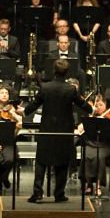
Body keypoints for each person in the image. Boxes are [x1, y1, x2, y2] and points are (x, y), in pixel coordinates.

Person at [24, 58, 90, 203]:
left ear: (54, 71)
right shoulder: (71, 89)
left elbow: (33, 105)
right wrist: (90, 107)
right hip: (64, 131)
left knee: (41, 161)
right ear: (67, 72)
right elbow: (84, 105)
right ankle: (59, 194)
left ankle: (37, 194)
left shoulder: (45, 87)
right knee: (62, 162)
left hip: (47, 129)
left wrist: (24, 111)